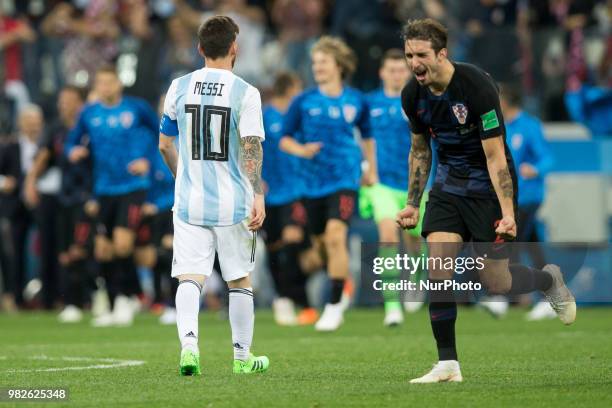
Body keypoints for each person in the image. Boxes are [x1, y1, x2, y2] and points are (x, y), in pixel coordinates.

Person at [395, 19, 576, 383]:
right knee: (439, 268)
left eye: (421, 55)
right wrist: (413, 202)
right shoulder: (412, 95)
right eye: (409, 55)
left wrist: (508, 214)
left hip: (487, 190)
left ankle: (547, 280)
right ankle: (448, 364)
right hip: (447, 187)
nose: (414, 63)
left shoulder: (476, 86)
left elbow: (496, 157)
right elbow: (419, 151)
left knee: (496, 282)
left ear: (442, 54)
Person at [159, 15, 269, 376]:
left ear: (200, 49)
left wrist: (182, 178)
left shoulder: (178, 87)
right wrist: (258, 195)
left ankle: (189, 348)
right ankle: (242, 358)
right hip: (233, 202)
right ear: (234, 47)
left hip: (190, 201)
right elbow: (251, 147)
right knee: (239, 279)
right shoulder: (245, 92)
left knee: (190, 276)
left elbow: (164, 144)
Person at [281, 36, 376, 332]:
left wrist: (370, 169)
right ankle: (340, 279)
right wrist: (302, 150)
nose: (317, 67)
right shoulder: (303, 101)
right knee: (321, 246)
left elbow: (367, 136)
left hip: (344, 179)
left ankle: (334, 306)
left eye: (323, 62)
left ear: (339, 65)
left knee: (337, 236)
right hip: (311, 184)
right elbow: (284, 139)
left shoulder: (356, 100)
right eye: (315, 62)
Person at [65, 66, 159, 327]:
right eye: (101, 83)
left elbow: (162, 134)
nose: (105, 87)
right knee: (104, 251)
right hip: (104, 188)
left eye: (110, 82)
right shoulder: (89, 113)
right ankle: (113, 299)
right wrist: (73, 152)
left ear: (119, 84)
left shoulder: (137, 108)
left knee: (122, 244)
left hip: (132, 186)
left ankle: (128, 298)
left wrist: (147, 161)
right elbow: (72, 142)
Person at [360, 49, 427, 327]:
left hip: (415, 184)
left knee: (414, 240)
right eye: (392, 70)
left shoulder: (419, 100)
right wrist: (364, 168)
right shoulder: (369, 103)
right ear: (382, 72)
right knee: (387, 235)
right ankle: (391, 304)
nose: (397, 74)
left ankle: (418, 275)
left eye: (402, 70)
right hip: (381, 184)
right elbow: (358, 138)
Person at [24, 86, 93, 321]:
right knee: (65, 251)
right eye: (62, 100)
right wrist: (30, 181)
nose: (64, 105)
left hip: (88, 195)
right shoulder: (55, 129)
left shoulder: (90, 124)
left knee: (84, 248)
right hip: (64, 196)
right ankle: (70, 301)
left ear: (80, 103)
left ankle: (92, 298)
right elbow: (43, 156)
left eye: (70, 100)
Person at [262, 71, 319, 326]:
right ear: (289, 90)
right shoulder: (264, 117)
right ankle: (284, 299)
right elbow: (248, 148)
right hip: (269, 194)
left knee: (293, 243)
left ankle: (301, 302)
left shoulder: (301, 118)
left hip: (297, 191)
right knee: (275, 250)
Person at [500, 83, 556, 321]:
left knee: (511, 242)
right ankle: (552, 296)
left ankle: (509, 296)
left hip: (529, 196)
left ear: (505, 102)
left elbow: (548, 158)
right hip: (510, 198)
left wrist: (535, 168)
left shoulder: (529, 126)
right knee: (532, 245)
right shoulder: (499, 127)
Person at [0, 105, 42, 309]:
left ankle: (49, 297)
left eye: (36, 122)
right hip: (14, 206)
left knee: (50, 249)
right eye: (29, 122)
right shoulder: (9, 147)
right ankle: (15, 297)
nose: (33, 126)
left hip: (42, 203)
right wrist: (4, 183)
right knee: (14, 252)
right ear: (20, 124)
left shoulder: (46, 145)